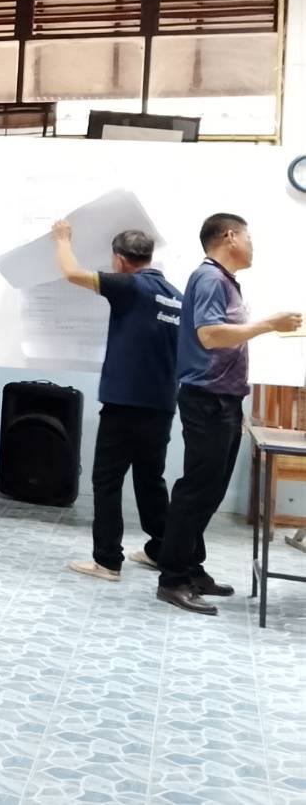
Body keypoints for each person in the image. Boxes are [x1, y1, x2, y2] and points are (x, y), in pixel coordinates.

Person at [155, 213, 301, 615]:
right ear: (230, 236)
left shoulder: (226, 281)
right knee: (196, 489)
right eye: (249, 238)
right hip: (206, 398)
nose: (253, 246)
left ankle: (191, 567)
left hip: (225, 399)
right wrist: (267, 325)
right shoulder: (209, 279)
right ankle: (171, 579)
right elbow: (209, 335)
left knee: (211, 490)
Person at [52, 222, 182, 581]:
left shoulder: (130, 286)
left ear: (120, 260)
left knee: (107, 481)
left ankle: (107, 560)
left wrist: (62, 239)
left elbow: (72, 273)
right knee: (150, 479)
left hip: (125, 405)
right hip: (161, 406)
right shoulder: (176, 296)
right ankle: (161, 550)